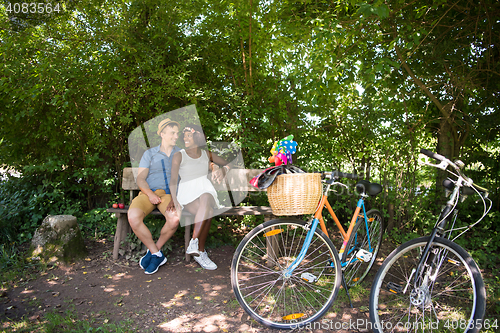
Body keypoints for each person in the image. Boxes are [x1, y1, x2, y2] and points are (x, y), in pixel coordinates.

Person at [169, 125, 231, 270]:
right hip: (187, 193)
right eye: (184, 136)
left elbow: (228, 164)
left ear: (197, 137)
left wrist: (223, 169)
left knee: (206, 195)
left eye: (188, 136)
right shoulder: (179, 155)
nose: (185, 138)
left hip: (204, 190)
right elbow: (172, 180)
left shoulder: (206, 154)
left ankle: (194, 244)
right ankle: (200, 251)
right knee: (208, 212)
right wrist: (174, 199)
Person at [127, 118, 181, 275]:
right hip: (148, 193)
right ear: (162, 134)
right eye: (173, 133)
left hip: (170, 195)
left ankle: (154, 252)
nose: (176, 136)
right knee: (133, 217)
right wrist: (150, 194)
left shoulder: (180, 154)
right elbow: (140, 179)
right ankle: (157, 253)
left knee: (174, 218)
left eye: (177, 133)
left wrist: (174, 197)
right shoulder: (149, 153)